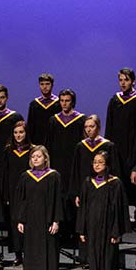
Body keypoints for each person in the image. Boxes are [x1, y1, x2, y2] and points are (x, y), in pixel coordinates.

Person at [76, 151, 130, 270]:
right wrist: (82, 229)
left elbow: (119, 210)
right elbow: (83, 208)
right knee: (93, 258)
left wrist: (116, 232)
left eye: (100, 162)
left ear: (107, 165)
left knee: (108, 258)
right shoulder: (88, 182)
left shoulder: (115, 183)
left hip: (108, 228)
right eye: (94, 162)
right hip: (92, 228)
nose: (96, 165)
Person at [14, 146, 63, 270]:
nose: (35, 159)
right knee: (33, 250)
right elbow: (21, 200)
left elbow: (57, 200)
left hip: (47, 219)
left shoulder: (54, 176)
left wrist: (56, 220)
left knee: (48, 250)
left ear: (45, 158)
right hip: (31, 220)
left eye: (39, 156)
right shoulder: (25, 176)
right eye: (33, 156)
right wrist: (21, 220)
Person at [46, 88, 86, 245]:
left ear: (73, 102)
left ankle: (74, 234)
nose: (64, 104)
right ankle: (61, 233)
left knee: (73, 197)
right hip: (58, 165)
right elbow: (48, 144)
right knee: (59, 197)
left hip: (74, 165)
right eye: (61, 101)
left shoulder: (81, 120)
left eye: (67, 101)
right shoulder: (54, 120)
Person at [105, 67, 136, 201]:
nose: (123, 83)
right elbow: (109, 126)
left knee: (131, 186)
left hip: (132, 150)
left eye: (126, 80)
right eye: (120, 80)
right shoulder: (115, 100)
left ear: (133, 82)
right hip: (117, 150)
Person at [0, 121, 31, 266]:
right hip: (13, 193)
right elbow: (4, 173)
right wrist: (5, 194)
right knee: (14, 224)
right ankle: (18, 255)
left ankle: (30, 252)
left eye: (21, 132)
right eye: (16, 132)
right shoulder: (8, 150)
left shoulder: (32, 150)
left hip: (29, 192)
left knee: (28, 223)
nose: (18, 135)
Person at [71, 115, 120, 204]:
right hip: (85, 190)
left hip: (104, 190)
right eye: (86, 127)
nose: (88, 130)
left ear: (98, 127)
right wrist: (77, 193)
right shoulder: (80, 147)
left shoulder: (108, 146)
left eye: (92, 126)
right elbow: (76, 172)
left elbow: (114, 170)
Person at [26, 73, 61, 146]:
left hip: (55, 142)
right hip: (37, 143)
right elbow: (30, 126)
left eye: (47, 84)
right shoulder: (34, 104)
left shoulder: (59, 103)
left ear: (52, 85)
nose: (45, 87)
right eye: (42, 84)